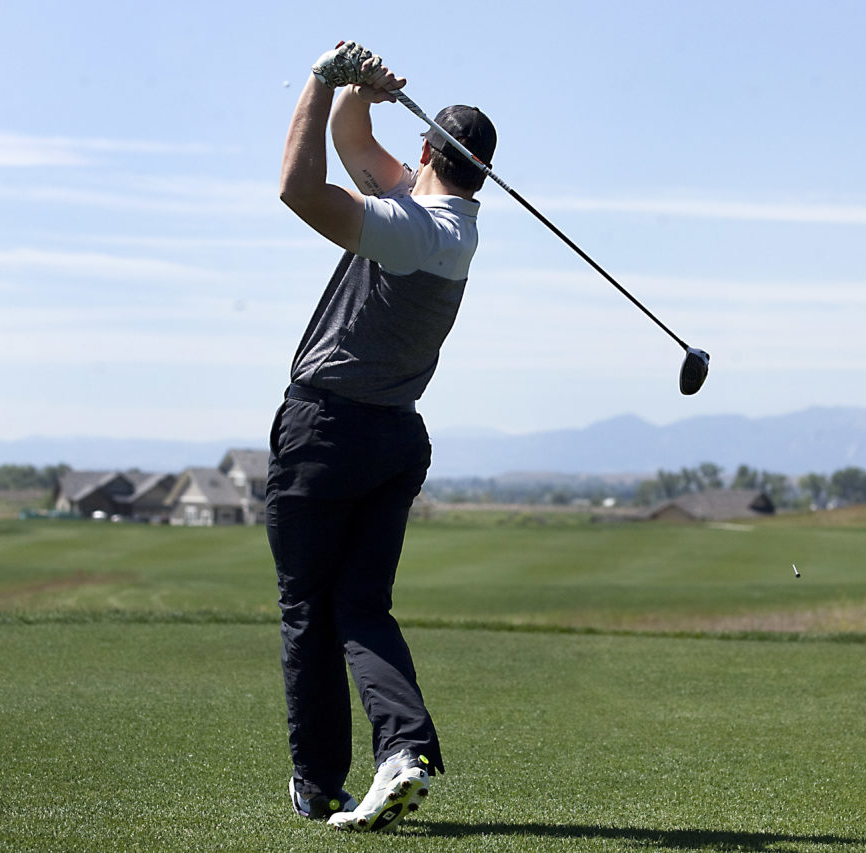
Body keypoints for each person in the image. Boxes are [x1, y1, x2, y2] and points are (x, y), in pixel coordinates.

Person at [269, 42, 497, 833]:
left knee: (306, 606)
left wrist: (320, 76)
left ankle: (317, 783)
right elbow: (355, 149)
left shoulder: (410, 230)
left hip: (327, 431)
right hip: (394, 439)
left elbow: (300, 188)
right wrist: (360, 92)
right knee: (360, 605)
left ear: (431, 150)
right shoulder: (449, 223)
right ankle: (404, 749)